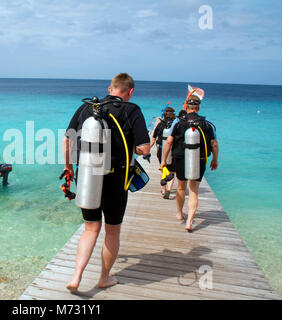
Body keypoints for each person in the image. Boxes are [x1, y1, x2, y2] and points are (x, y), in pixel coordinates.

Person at [62, 73, 150, 291]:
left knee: (90, 229)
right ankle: (103, 278)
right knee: (112, 231)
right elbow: (144, 148)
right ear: (130, 92)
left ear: (109, 88)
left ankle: (76, 277)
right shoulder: (132, 110)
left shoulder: (86, 109)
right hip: (116, 180)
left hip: (88, 177)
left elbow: (67, 140)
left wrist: (68, 168)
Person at [160, 95, 219, 231]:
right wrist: (215, 159)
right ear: (198, 107)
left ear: (186, 107)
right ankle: (190, 222)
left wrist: (164, 160)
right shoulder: (207, 122)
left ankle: (180, 214)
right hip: (200, 159)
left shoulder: (178, 121)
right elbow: (214, 144)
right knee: (194, 191)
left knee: (181, 187)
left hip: (180, 158)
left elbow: (168, 141)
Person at [150, 107, 176, 199]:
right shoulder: (176, 125)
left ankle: (164, 190)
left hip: (161, 150)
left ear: (164, 114)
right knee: (172, 171)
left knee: (164, 168)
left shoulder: (160, 124)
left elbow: (153, 139)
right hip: (173, 150)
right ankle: (169, 189)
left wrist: (147, 150)